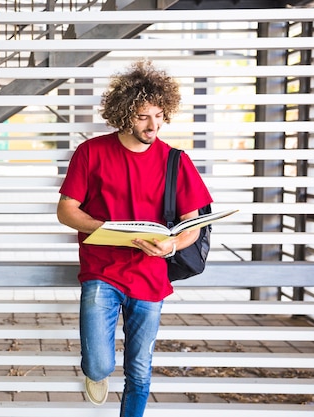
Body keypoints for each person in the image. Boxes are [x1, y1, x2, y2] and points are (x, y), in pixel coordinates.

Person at [56, 59, 212, 416]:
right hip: (102, 272)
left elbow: (193, 224)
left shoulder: (175, 161)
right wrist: (108, 231)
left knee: (139, 371)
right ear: (125, 113)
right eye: (143, 116)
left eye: (159, 115)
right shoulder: (91, 152)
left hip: (151, 277)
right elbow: (67, 211)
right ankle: (95, 374)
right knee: (97, 363)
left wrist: (171, 244)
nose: (153, 125)